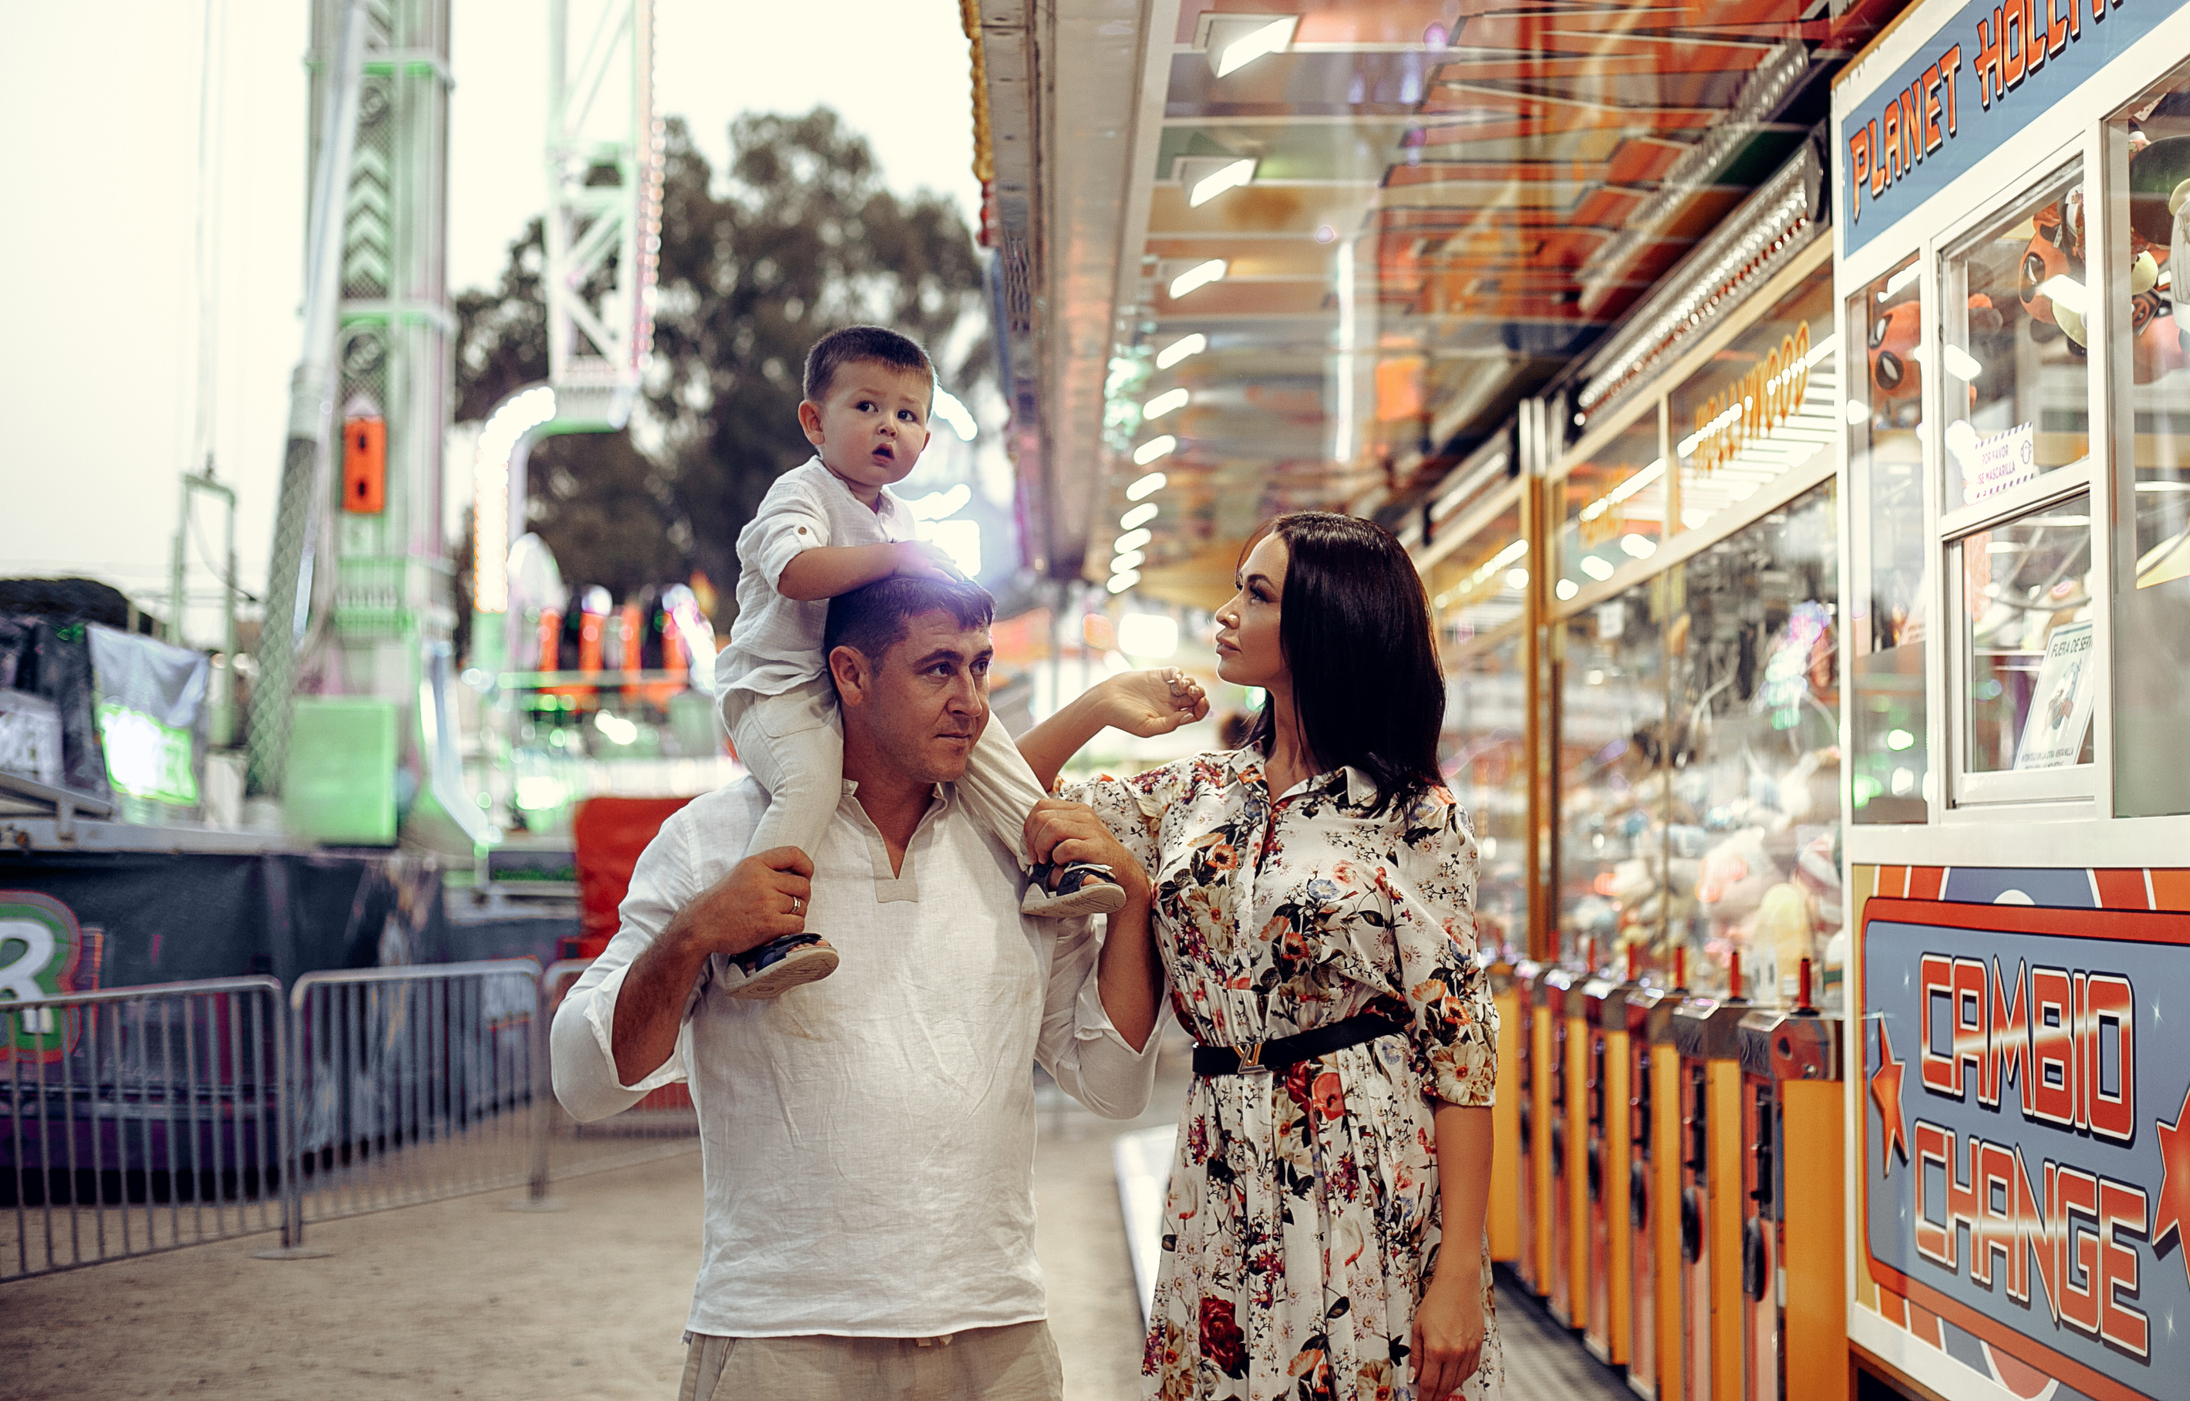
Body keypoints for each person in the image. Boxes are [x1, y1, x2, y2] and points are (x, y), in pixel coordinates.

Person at [552, 572, 1205, 1401]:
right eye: (937, 668)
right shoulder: (717, 841)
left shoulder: (1018, 849)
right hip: (781, 1338)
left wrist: (1135, 900)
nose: (970, 698)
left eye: (979, 665)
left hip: (996, 1336)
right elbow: (581, 1080)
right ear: (851, 674)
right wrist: (694, 934)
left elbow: (1113, 1083)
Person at [1050, 512, 1501, 1401]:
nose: (1226, 612)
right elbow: (999, 790)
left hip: (1365, 1171)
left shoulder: (1413, 815)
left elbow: (1460, 1052)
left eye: (1255, 594)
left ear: (1323, 628)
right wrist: (1102, 703)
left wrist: (1455, 1273)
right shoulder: (1197, 792)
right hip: (1221, 1161)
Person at [713, 326, 1157, 1000]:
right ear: (814, 421)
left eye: (908, 414)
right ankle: (752, 934)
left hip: (857, 690)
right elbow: (796, 572)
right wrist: (899, 557)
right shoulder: (800, 495)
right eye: (866, 407)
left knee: (981, 737)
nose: (887, 425)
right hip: (777, 690)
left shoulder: (901, 518)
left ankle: (1045, 860)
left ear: (925, 438)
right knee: (808, 781)